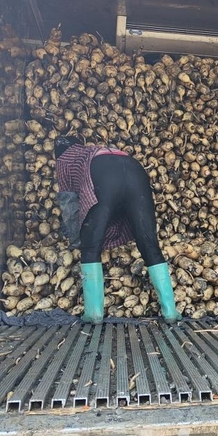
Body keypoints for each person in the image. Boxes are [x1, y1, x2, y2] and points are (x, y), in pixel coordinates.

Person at [53, 136, 180, 324]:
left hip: (105, 174)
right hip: (134, 169)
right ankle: (171, 312)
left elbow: (69, 203)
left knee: (90, 248)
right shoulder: (93, 150)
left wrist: (77, 236)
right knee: (149, 243)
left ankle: (94, 314)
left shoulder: (64, 160)